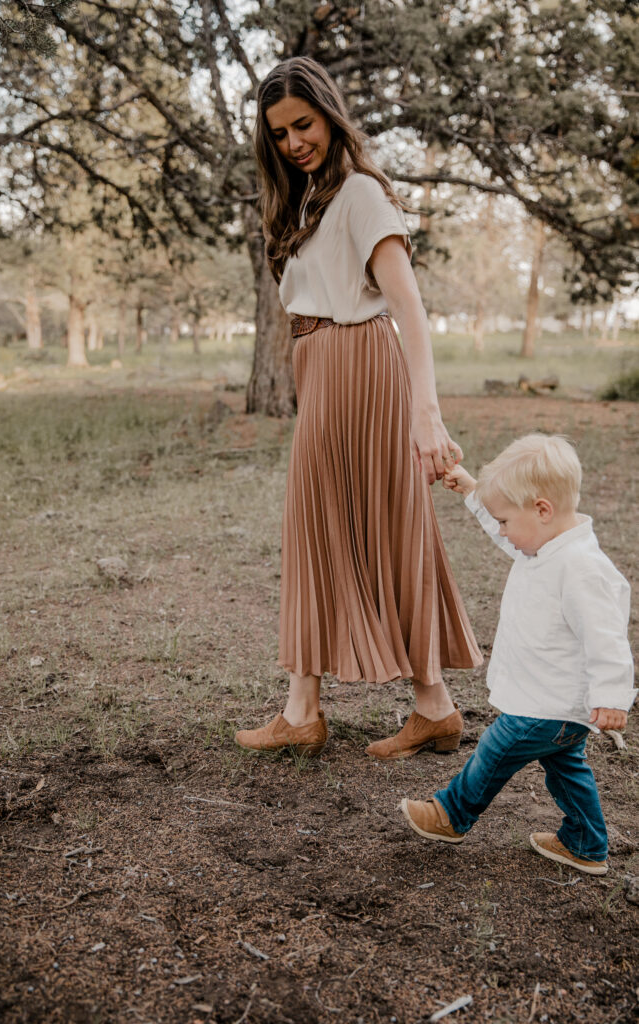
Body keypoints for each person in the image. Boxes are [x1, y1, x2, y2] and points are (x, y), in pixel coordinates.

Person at [235, 56, 482, 760]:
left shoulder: (361, 194)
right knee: (328, 523)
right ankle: (344, 706)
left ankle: (386, 704)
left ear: (329, 114)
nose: (293, 142)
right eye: (278, 133)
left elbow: (407, 305)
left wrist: (425, 412)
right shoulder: (310, 197)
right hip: (322, 365)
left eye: (303, 125)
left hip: (359, 363)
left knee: (377, 520)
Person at [399, 434, 635, 875]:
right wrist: (473, 492)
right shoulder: (543, 545)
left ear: (542, 510)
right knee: (565, 769)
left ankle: (452, 815)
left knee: (494, 748)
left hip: (549, 703)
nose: (502, 530)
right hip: (551, 700)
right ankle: (586, 843)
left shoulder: (581, 568)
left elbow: (607, 639)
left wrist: (612, 696)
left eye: (505, 520)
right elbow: (511, 536)